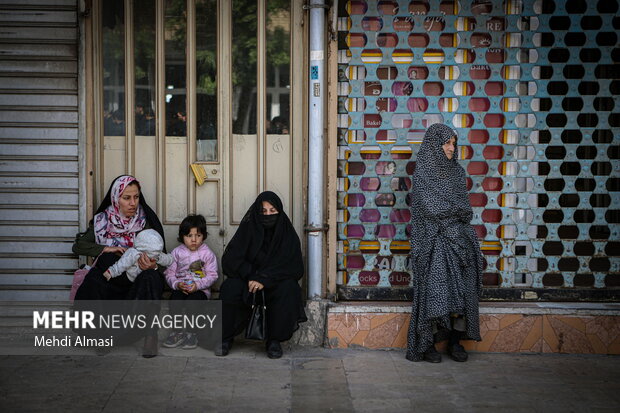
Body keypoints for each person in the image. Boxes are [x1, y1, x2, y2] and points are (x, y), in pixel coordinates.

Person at [406, 123, 484, 363]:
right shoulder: (422, 174)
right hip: (433, 241)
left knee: (464, 290)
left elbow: (465, 210)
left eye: (453, 143)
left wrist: (451, 214)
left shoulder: (457, 173)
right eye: (447, 143)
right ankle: (428, 343)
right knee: (434, 291)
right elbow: (429, 209)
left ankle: (455, 341)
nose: (451, 148)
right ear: (434, 145)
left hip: (459, 240)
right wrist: (451, 213)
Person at [73, 175, 166, 357]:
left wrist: (152, 265)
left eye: (136, 197)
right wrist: (107, 248)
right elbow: (79, 246)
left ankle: (150, 336)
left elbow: (162, 256)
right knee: (94, 277)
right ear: (116, 199)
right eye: (126, 198)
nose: (133, 203)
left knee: (153, 277)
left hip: (135, 286)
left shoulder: (145, 222)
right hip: (110, 284)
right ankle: (100, 335)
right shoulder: (102, 221)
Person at [216, 191, 306, 359]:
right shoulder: (248, 230)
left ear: (279, 211)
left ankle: (274, 340)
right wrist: (252, 275)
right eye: (263, 212)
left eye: (272, 211)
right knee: (230, 288)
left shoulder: (287, 235)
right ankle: (225, 338)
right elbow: (230, 260)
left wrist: (265, 278)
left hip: (273, 282)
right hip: (248, 281)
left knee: (289, 288)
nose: (268, 215)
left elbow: (294, 267)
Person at [163, 214, 218, 349]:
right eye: (189, 236)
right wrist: (176, 284)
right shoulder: (176, 253)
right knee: (175, 301)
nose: (193, 240)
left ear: (203, 236)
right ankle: (176, 332)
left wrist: (197, 285)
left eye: (198, 236)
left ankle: (191, 333)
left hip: (200, 290)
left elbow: (212, 275)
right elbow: (169, 273)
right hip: (181, 287)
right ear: (182, 236)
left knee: (193, 304)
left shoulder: (207, 254)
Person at [103, 229, 172, 282]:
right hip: (141, 278)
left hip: (131, 277)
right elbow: (167, 260)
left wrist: (111, 272)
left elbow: (122, 264)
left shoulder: (134, 252)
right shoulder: (157, 255)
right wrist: (172, 259)